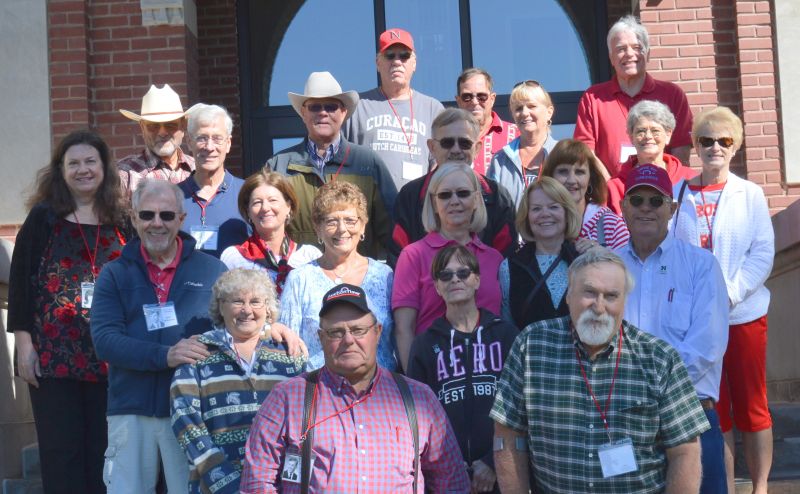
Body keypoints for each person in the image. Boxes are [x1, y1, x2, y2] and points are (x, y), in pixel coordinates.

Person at [491, 249, 710, 493]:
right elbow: (507, 435)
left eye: (611, 296)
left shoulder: (659, 359)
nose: (599, 306)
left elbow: (685, 451)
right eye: (589, 292)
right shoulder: (531, 346)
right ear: (568, 296)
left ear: (624, 302)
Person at [240, 283, 470, 492]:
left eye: (358, 330)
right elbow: (257, 483)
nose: (348, 340)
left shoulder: (419, 399)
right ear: (320, 338)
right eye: (336, 332)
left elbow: (451, 484)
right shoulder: (287, 398)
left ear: (377, 332)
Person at [8, 130, 128, 494]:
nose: (83, 170)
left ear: (104, 167)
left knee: (106, 455)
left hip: (110, 357)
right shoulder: (44, 218)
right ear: (60, 170)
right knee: (62, 455)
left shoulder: (122, 219)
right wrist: (24, 346)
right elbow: (21, 283)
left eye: (90, 161)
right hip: (53, 358)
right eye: (73, 163)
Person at [89, 179, 227, 494]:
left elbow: (234, 328)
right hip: (131, 408)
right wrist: (165, 355)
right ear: (134, 218)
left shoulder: (213, 271)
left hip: (193, 410)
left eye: (166, 215)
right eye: (147, 214)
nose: (157, 223)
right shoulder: (114, 274)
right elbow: (105, 341)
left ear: (181, 219)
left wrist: (272, 328)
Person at [672, 106, 775, 494]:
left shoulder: (750, 194)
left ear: (736, 147)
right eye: (707, 140)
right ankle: (727, 488)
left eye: (724, 140)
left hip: (743, 315)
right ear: (695, 146)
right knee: (716, 408)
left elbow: (762, 253)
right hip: (698, 323)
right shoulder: (679, 194)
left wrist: (728, 294)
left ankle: (760, 487)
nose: (715, 147)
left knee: (752, 406)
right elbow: (675, 255)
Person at [617, 164, 729, 494]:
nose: (646, 208)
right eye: (637, 200)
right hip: (626, 421)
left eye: (656, 201)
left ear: (672, 208)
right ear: (623, 207)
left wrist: (651, 391)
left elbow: (707, 346)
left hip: (690, 416)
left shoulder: (701, 265)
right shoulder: (608, 267)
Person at [170, 269, 306, 494]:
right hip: (215, 487)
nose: (247, 310)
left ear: (268, 307)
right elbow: (186, 424)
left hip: (278, 485)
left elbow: (304, 424)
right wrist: (225, 482)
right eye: (237, 301)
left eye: (255, 302)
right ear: (221, 306)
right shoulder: (197, 354)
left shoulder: (289, 354)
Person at [407, 246, 518, 494]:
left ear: (477, 280)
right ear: (437, 286)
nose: (455, 279)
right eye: (445, 275)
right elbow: (417, 416)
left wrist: (492, 461)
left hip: (501, 471)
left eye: (463, 273)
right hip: (446, 474)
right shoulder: (424, 345)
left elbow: (521, 406)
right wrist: (449, 466)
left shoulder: (506, 335)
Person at [266, 71, 396, 259]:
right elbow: (266, 230)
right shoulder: (277, 165)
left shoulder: (369, 163)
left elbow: (393, 232)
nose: (323, 113)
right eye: (315, 107)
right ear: (303, 113)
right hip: (297, 274)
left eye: (331, 106)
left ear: (343, 113)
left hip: (357, 274)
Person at [393, 164, 503, 371]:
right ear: (434, 203)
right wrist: (414, 382)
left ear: (476, 199)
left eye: (463, 193)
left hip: (489, 370)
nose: (454, 201)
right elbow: (404, 328)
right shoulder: (413, 255)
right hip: (434, 371)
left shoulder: (494, 258)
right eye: (445, 195)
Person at [280, 181, 395, 371]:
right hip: (319, 385)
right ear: (318, 228)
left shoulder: (385, 276)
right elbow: (287, 348)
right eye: (332, 221)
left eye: (350, 220)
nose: (342, 229)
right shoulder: (300, 279)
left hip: (379, 386)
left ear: (363, 226)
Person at [389, 108, 517, 263]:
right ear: (432, 147)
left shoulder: (498, 197)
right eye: (447, 143)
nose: (456, 149)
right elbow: (398, 259)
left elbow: (506, 264)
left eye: (464, 143)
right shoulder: (410, 196)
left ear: (477, 148)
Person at [574, 15, 693, 177]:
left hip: (663, 188)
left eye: (637, 47)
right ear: (611, 58)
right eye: (621, 49)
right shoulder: (593, 98)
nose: (629, 54)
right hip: (610, 191)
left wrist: (663, 185)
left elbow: (681, 151)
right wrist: (612, 186)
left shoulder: (672, 95)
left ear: (648, 54)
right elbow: (585, 151)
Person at [343, 28, 444, 189]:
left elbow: (441, 162)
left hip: (417, 202)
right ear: (378, 63)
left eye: (404, 56)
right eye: (390, 56)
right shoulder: (357, 106)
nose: (397, 62)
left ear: (414, 63)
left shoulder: (433, 109)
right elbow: (339, 160)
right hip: (368, 202)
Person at [499, 178, 582, 329]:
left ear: (567, 213)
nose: (545, 214)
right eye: (536, 209)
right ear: (527, 217)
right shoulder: (509, 267)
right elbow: (507, 327)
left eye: (553, 207)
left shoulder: (585, 261)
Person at [220, 170, 321, 294]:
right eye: (257, 202)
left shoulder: (310, 257)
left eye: (273, 200)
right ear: (248, 211)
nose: (265, 208)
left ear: (289, 206)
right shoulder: (234, 258)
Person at [178, 103, 248, 258]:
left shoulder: (247, 194)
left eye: (217, 139)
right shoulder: (173, 197)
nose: (209, 147)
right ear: (189, 142)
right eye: (202, 138)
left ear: (228, 143)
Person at [605, 100, 696, 214]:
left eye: (655, 131)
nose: (648, 136)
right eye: (641, 131)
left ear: (668, 135)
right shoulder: (614, 187)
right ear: (631, 137)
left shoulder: (690, 179)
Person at [539, 138, 629, 250]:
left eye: (579, 172)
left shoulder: (611, 226)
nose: (571, 180)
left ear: (590, 178)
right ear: (550, 177)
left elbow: (628, 261)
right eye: (563, 171)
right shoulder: (540, 221)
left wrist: (601, 255)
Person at [486, 80, 558, 208]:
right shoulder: (500, 161)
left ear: (549, 112)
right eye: (518, 108)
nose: (524, 113)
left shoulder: (563, 155)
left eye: (531, 106)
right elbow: (491, 209)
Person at [117, 84, 195, 194]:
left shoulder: (198, 169)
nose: (162, 133)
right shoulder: (125, 174)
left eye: (170, 125)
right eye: (153, 126)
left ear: (183, 126)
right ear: (142, 128)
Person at [454, 68, 519, 175]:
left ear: (492, 99)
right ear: (458, 101)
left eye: (481, 96)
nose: (474, 102)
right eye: (467, 97)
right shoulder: (448, 139)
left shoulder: (516, 135)